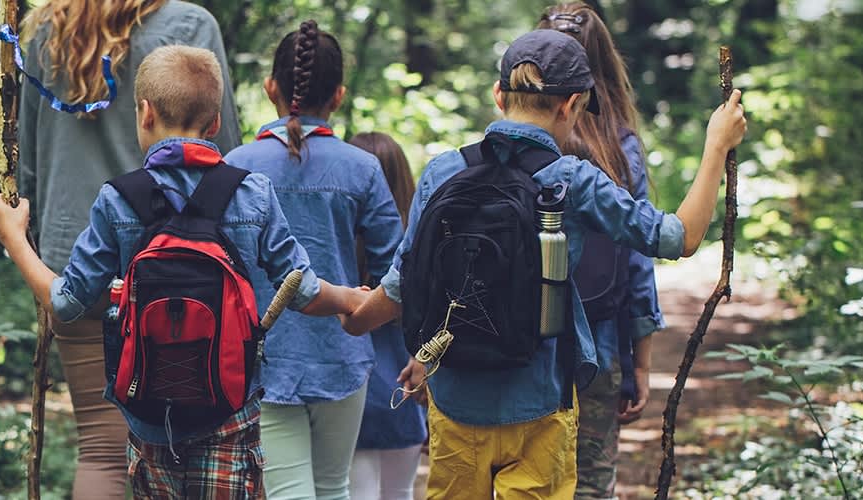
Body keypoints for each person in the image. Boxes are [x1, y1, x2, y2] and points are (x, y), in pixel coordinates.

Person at [341, 29, 746, 499]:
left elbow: (403, 286)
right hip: (539, 403)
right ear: (571, 104)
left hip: (455, 402)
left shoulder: (442, 170)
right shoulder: (573, 180)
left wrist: (353, 315)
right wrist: (717, 146)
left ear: (498, 95)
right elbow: (680, 237)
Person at [0, 45, 369, 499]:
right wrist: (351, 301)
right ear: (214, 124)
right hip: (230, 411)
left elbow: (66, 303)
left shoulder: (118, 199)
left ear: (145, 113)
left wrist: (16, 239)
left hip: (149, 417)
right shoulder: (252, 194)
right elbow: (303, 291)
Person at [16, 1, 242, 496]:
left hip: (72, 259)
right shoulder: (188, 24)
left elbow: (28, 167)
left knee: (100, 449)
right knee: (191, 446)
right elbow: (220, 148)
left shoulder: (48, 29)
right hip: (178, 264)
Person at [222, 20, 404, 500]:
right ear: (339, 96)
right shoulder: (362, 168)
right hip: (344, 356)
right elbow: (397, 269)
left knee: (286, 491)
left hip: (263, 355)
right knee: (332, 488)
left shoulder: (235, 166)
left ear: (270, 88)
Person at [537, 4, 664, 498]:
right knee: (591, 483)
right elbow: (638, 259)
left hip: (525, 341)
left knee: (532, 477)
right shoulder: (620, 145)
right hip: (601, 340)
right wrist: (642, 362)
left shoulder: (510, 146)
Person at [344, 132, 428, 500]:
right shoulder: (419, 241)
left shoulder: (340, 244)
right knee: (400, 493)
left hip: (352, 396)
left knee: (355, 493)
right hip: (403, 393)